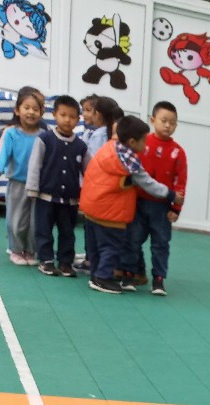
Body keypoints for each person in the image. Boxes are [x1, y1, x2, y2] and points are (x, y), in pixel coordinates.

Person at [78, 114, 182, 295]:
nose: (146, 145)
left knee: (95, 246)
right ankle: (103, 278)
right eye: (144, 141)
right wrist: (171, 195)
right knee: (111, 246)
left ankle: (95, 274)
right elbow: (147, 183)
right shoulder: (129, 161)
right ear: (132, 142)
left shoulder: (109, 148)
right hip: (110, 212)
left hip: (92, 207)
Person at [123, 101, 185, 296]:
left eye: (172, 122)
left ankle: (158, 280)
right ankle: (129, 274)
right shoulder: (142, 144)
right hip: (138, 203)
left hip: (162, 208)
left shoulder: (178, 152)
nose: (167, 125)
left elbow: (180, 181)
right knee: (132, 239)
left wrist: (175, 208)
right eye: (164, 120)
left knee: (161, 244)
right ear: (152, 120)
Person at [27, 94, 87, 277]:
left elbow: (89, 171)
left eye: (72, 116)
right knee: (43, 230)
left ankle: (65, 262)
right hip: (45, 196)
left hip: (70, 200)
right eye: (63, 115)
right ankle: (45, 260)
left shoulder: (81, 146)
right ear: (54, 115)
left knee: (67, 232)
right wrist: (32, 189)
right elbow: (35, 164)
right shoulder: (45, 139)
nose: (67, 120)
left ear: (78, 119)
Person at [0, 86, 44, 265]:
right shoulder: (11, 133)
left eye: (35, 109)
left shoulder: (44, 136)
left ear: (41, 113)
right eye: (27, 107)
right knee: (16, 220)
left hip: (38, 186)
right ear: (17, 110)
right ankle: (16, 249)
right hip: (17, 184)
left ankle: (30, 250)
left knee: (35, 221)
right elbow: (3, 154)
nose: (31, 112)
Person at [75, 95, 120, 273]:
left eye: (89, 110)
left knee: (91, 226)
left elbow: (91, 165)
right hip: (104, 190)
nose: (85, 114)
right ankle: (94, 259)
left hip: (93, 188)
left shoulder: (98, 136)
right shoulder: (106, 134)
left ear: (98, 114)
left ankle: (91, 260)